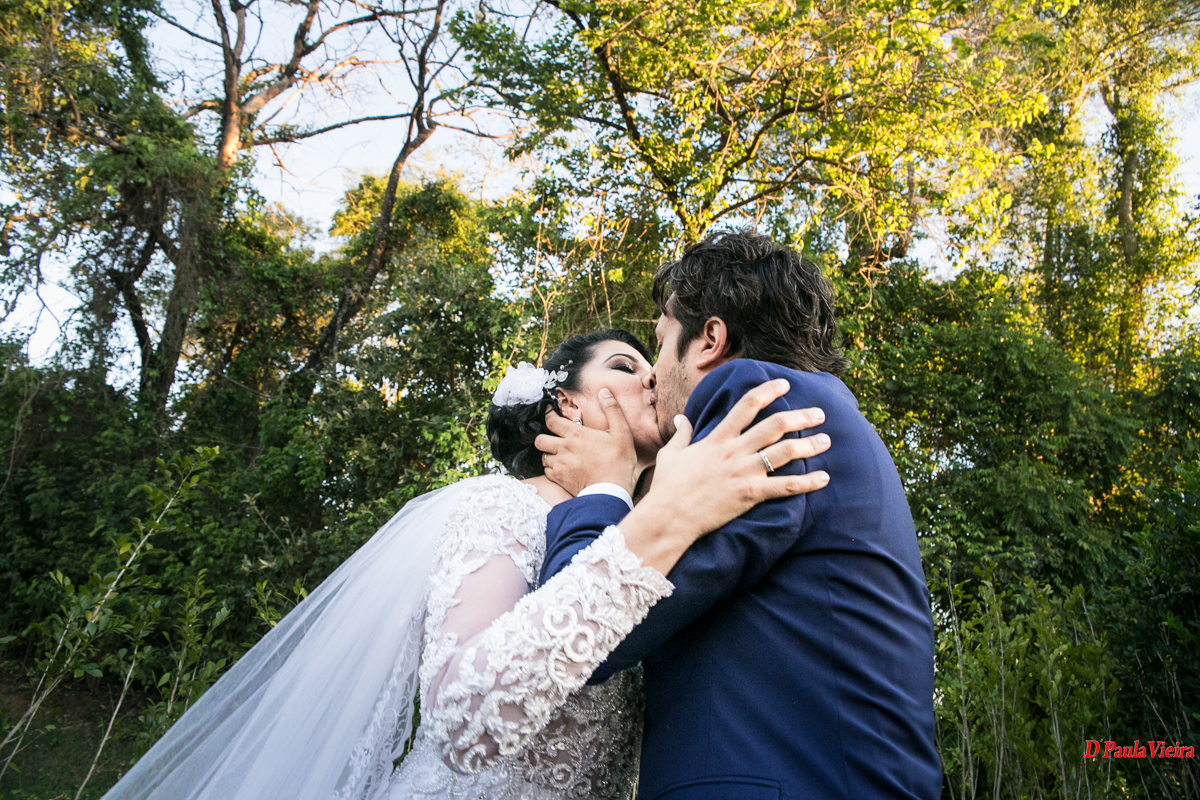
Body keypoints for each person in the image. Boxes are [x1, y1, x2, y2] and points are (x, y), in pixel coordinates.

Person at [100, 328, 831, 800]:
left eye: (651, 366)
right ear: (562, 407)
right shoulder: (500, 510)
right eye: (621, 366)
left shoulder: (654, 540)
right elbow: (463, 718)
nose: (650, 380)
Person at [537, 233, 943, 800]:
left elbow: (577, 627)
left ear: (709, 340)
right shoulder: (824, 412)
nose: (652, 375)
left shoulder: (754, 398)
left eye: (658, 343)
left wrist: (601, 485)